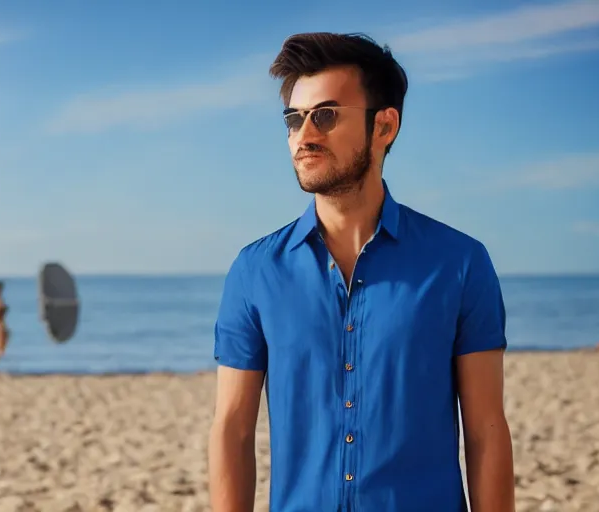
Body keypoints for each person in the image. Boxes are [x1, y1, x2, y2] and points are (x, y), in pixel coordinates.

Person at [207, 33, 514, 511]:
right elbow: (232, 428)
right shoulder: (255, 272)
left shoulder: (459, 264)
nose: (304, 136)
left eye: (325, 116)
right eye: (294, 119)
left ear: (384, 126)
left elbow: (486, 430)